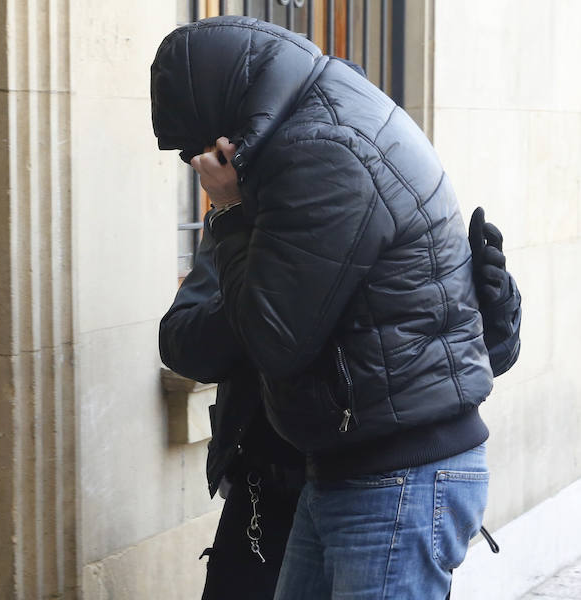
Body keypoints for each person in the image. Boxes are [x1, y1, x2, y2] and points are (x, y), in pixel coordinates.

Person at [150, 15, 522, 599]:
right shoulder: (287, 182)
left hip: (386, 473)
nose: (199, 165)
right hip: (303, 476)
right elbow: (191, 341)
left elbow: (286, 337)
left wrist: (228, 216)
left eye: (198, 149)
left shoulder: (324, 154)